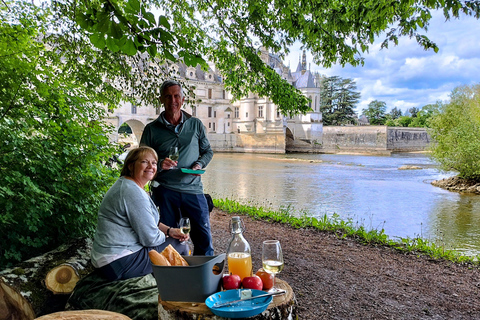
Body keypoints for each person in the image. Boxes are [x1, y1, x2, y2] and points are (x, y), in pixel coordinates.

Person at [91, 146, 189, 282]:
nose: (151, 166)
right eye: (144, 162)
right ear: (131, 166)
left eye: (154, 163)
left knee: (171, 243)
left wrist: (170, 230)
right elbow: (150, 239)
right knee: (180, 244)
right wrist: (166, 235)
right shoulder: (132, 192)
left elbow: (146, 221)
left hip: (108, 259)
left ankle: (165, 282)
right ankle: (182, 288)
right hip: (118, 262)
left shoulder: (127, 185)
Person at [140, 79, 214, 256]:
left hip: (193, 189)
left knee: (204, 239)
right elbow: (141, 161)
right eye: (168, 97)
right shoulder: (151, 129)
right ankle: (172, 279)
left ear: (182, 99)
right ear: (161, 100)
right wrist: (159, 165)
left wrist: (199, 164)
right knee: (168, 240)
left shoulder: (195, 124)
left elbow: (208, 151)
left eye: (176, 96)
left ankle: (204, 279)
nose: (173, 100)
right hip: (165, 191)